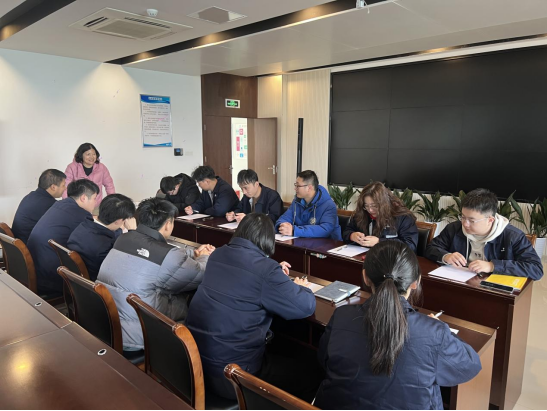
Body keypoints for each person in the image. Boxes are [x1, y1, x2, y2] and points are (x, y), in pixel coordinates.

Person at [315, 241, 482, 410]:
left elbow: (324, 360)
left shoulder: (341, 315)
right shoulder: (434, 332)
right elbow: (470, 366)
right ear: (416, 282)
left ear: (365, 276)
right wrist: (442, 328)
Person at [186, 213, 319, 401]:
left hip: (198, 362)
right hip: (233, 375)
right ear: (268, 239)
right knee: (312, 375)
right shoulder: (265, 269)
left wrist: (274, 274)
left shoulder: (218, 254)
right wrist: (301, 287)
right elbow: (305, 306)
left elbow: (244, 277)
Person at [97, 198, 215, 351]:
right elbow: (199, 274)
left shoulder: (124, 238)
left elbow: (160, 255)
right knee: (194, 302)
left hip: (108, 323)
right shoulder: (169, 256)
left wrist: (194, 253)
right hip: (140, 334)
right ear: (168, 224)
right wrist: (205, 256)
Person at [425, 188, 544, 280]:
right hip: (459, 283)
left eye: (472, 220)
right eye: (463, 217)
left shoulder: (513, 236)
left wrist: (492, 266)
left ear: (490, 220)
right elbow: (430, 248)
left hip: (492, 290)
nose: (465, 224)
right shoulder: (454, 228)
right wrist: (446, 256)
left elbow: (536, 269)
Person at [27, 180, 99, 296]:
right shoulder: (81, 214)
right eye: (95, 198)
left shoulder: (60, 204)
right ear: (84, 198)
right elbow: (92, 244)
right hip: (52, 277)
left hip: (37, 269)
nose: (96, 203)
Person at [67, 194, 137, 281]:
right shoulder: (105, 246)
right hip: (97, 283)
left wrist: (119, 228)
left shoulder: (83, 225)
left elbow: (109, 233)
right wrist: (132, 232)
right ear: (118, 221)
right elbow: (128, 265)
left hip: (77, 279)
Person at [343, 182, 418, 252]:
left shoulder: (403, 216)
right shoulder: (362, 213)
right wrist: (352, 236)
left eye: (374, 206)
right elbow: (347, 231)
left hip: (392, 259)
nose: (370, 210)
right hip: (366, 256)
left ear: (384, 203)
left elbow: (410, 245)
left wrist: (379, 242)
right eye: (366, 206)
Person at [275, 170, 342, 240]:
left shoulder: (329, 205)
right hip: (303, 242)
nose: (295, 188)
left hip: (328, 244)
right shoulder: (297, 201)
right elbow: (284, 218)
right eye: (295, 185)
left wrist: (295, 230)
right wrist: (282, 226)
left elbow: (325, 229)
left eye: (298, 186)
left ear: (309, 188)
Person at [12, 169, 66, 244]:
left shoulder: (30, 196)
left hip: (19, 244)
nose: (65, 188)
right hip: (30, 246)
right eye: (63, 185)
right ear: (53, 187)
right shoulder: (50, 205)